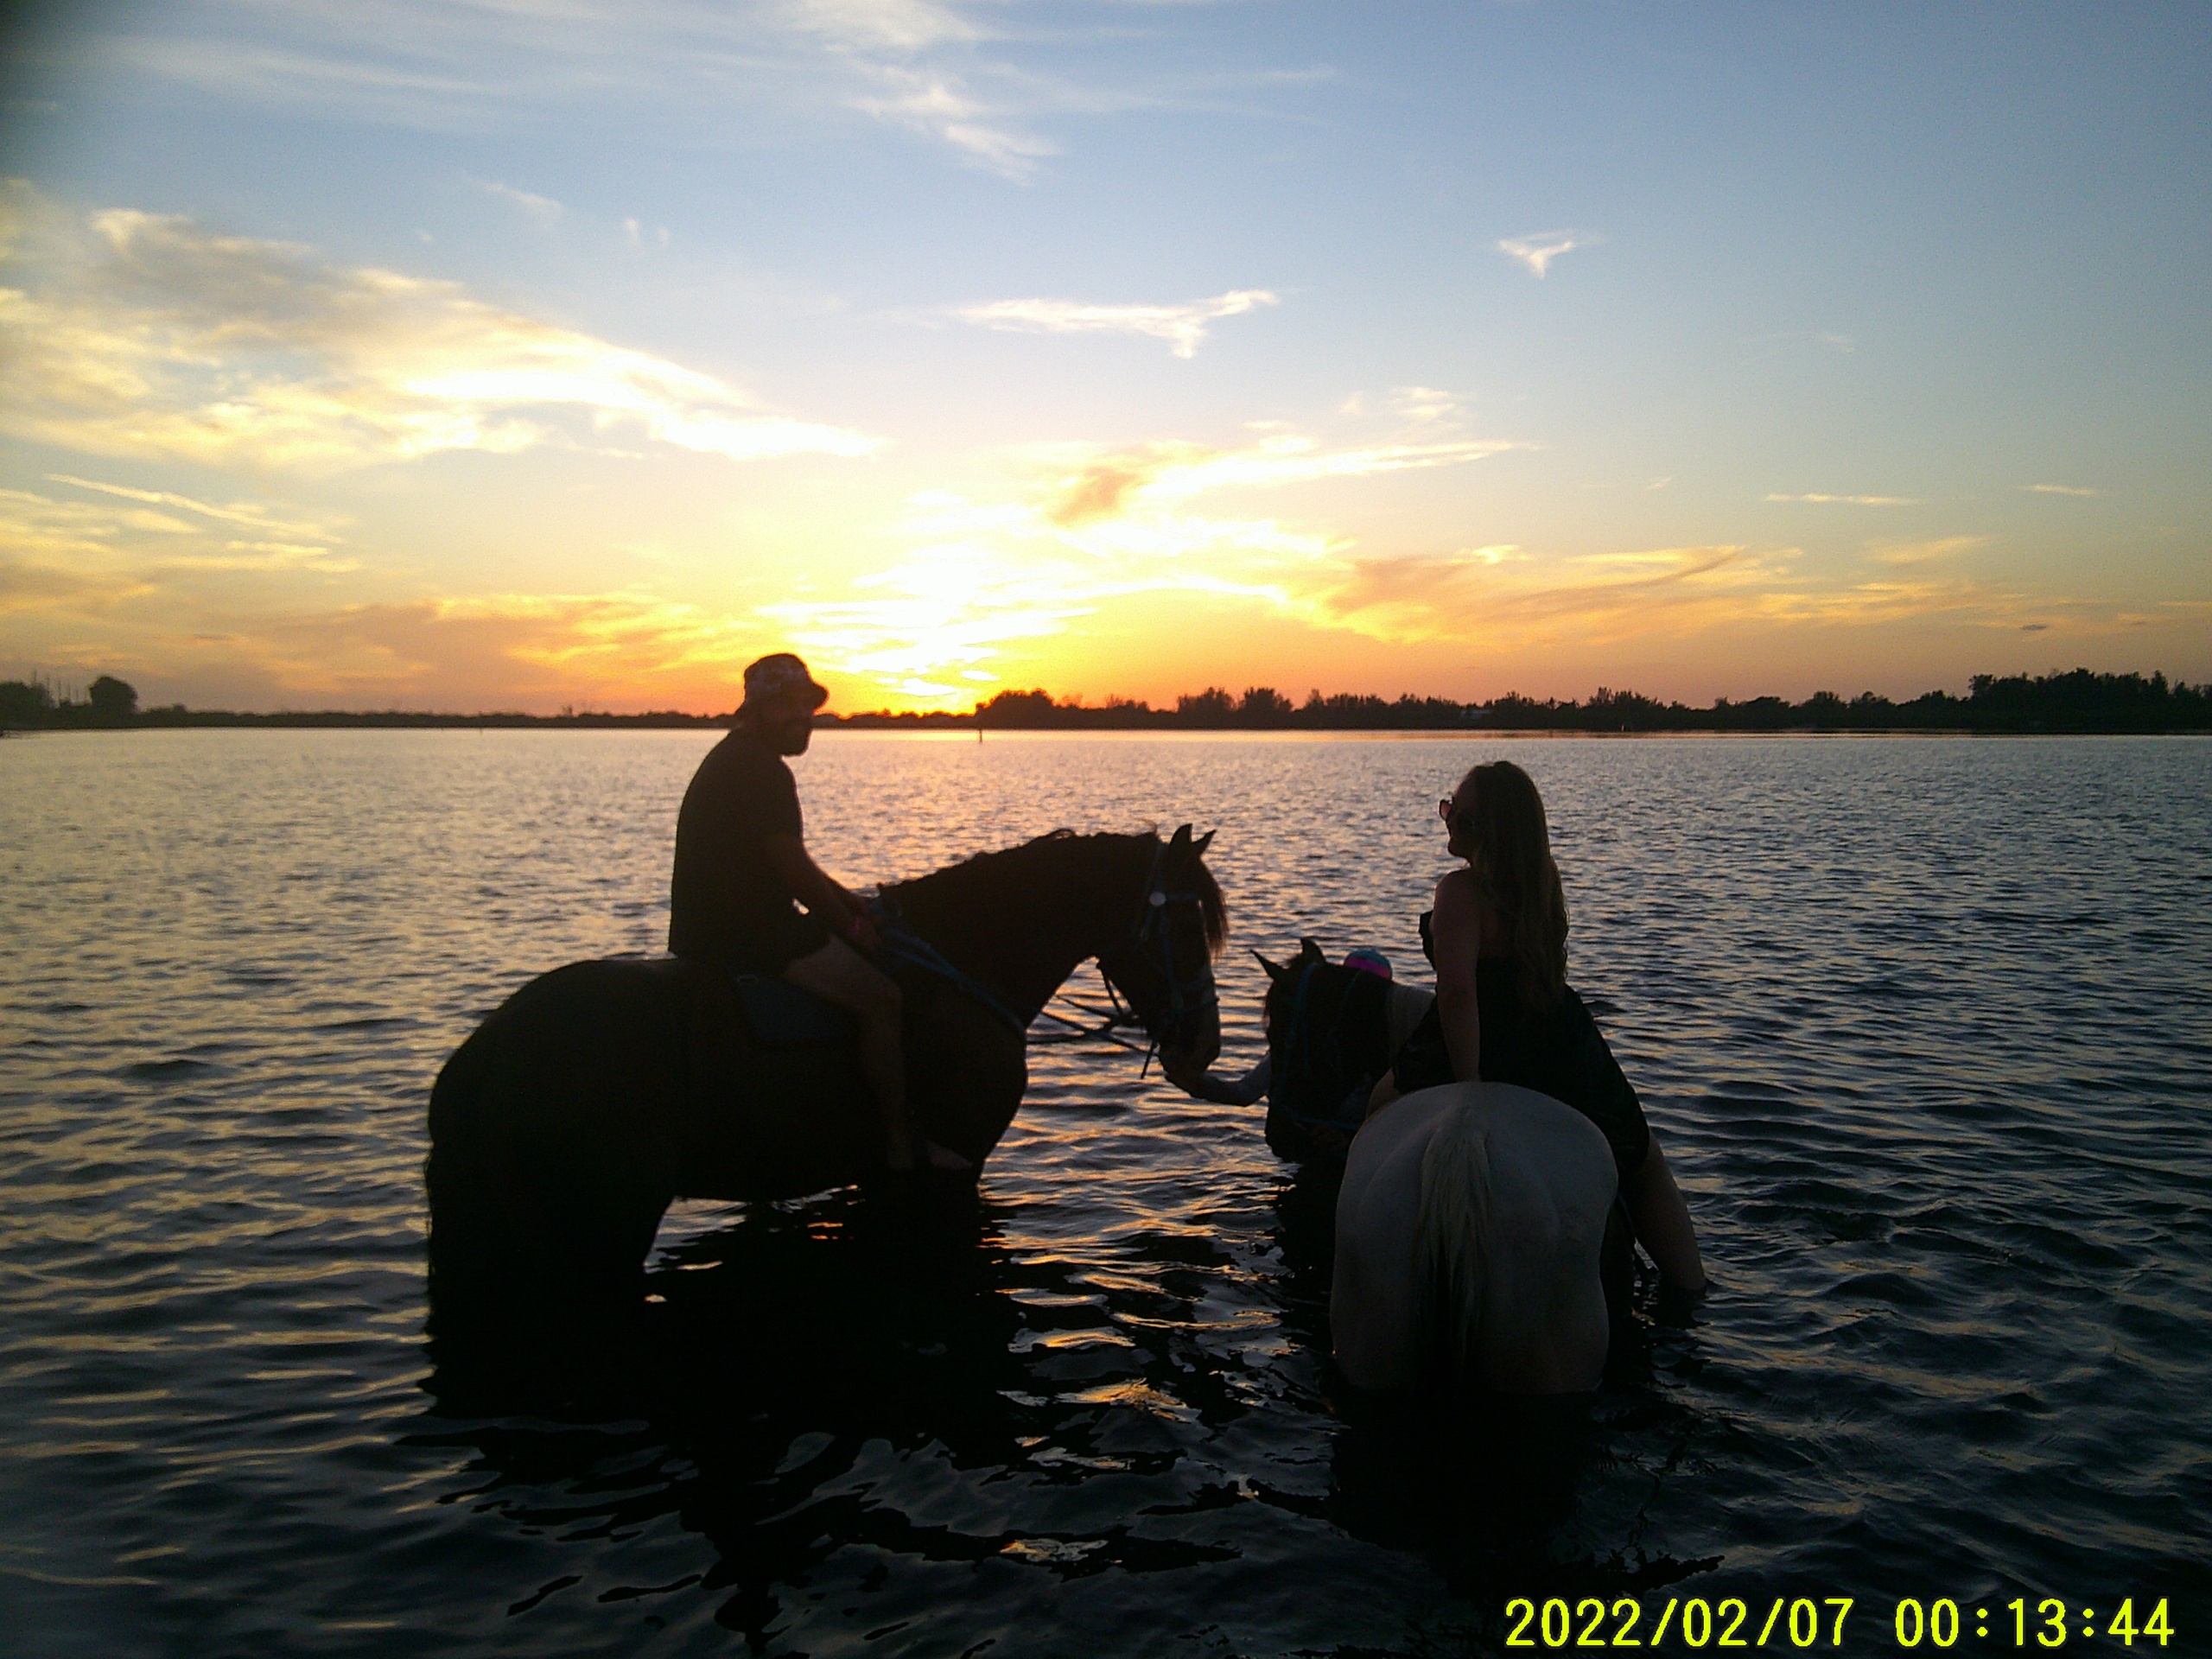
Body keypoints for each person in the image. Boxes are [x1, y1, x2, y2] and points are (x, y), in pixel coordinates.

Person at [1371, 760, 1706, 1300]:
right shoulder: (1542, 887)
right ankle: (1691, 1291)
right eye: (1447, 808)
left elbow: (1458, 993)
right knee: (1642, 1163)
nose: (1447, 820)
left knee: (1377, 1110)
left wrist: (1469, 1084)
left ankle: (1354, 1269)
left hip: (1471, 1040)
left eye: (1458, 813)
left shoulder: (1458, 892)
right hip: (1554, 1040)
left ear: (1487, 828)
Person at [669, 652, 965, 1172]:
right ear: (756, 711)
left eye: (807, 706)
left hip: (711, 928)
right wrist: (849, 923)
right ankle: (900, 1145)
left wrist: (845, 896)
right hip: (752, 934)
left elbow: (786, 858)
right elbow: (791, 868)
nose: (803, 717)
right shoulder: (763, 772)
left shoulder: (735, 758)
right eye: (788, 707)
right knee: (883, 999)